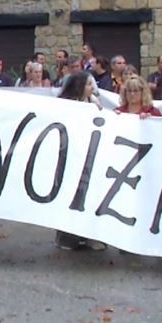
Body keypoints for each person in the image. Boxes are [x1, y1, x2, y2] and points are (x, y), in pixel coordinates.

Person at [54, 72, 106, 251]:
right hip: (70, 155)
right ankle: (67, 236)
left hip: (90, 154)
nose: (91, 88)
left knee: (89, 194)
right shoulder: (65, 104)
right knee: (69, 195)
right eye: (88, 85)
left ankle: (90, 235)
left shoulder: (94, 104)